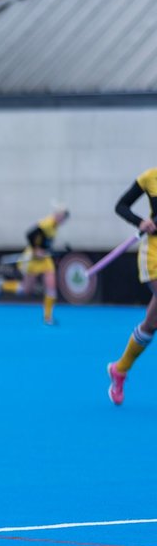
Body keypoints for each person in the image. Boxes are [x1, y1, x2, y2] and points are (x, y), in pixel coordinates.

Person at [105, 168, 157, 405]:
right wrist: (141, 222)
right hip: (154, 256)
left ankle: (120, 368)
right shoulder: (150, 177)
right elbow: (121, 205)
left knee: (152, 324)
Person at [0, 205, 70, 325]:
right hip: (32, 258)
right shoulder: (47, 223)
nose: (63, 220)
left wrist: (50, 251)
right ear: (57, 215)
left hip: (45, 259)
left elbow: (45, 242)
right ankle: (2, 285)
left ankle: (47, 317)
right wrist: (35, 249)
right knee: (26, 289)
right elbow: (30, 234)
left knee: (51, 285)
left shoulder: (55, 227)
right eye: (62, 216)